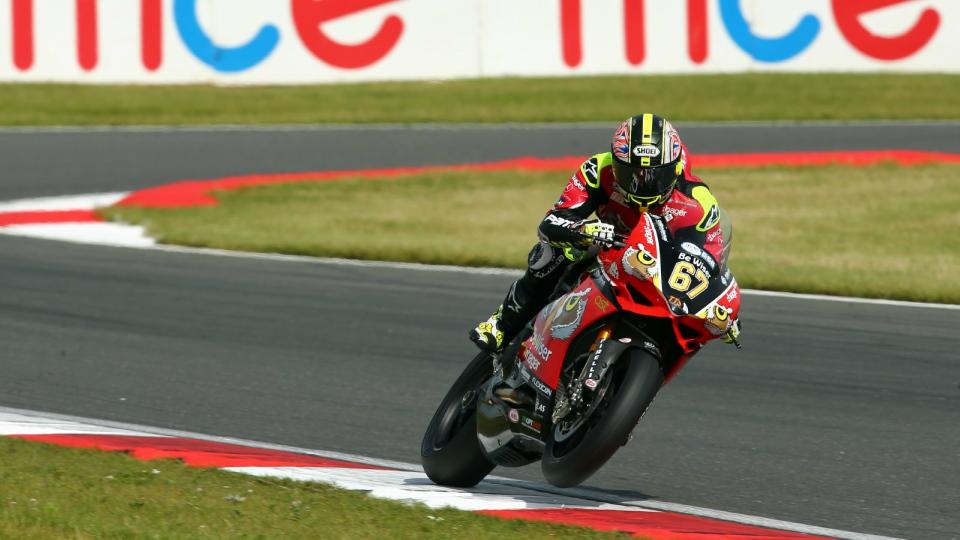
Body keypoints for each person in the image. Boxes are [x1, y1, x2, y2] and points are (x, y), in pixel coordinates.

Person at [469, 113, 740, 351]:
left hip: (652, 271)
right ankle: (502, 323)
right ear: (616, 162)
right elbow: (551, 222)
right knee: (548, 253)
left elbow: (707, 265)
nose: (641, 185)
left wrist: (718, 307)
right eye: (630, 173)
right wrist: (584, 230)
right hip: (602, 245)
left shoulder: (697, 202)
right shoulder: (598, 169)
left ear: (675, 168)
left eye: (653, 176)